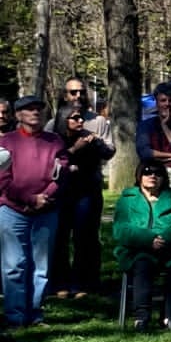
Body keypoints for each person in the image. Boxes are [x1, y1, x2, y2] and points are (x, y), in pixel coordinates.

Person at [0, 94, 68, 327]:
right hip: (12, 210)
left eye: (38, 109)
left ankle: (35, 313)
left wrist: (45, 197)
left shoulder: (55, 141)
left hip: (46, 210)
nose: (35, 113)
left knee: (41, 266)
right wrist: (30, 198)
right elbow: (2, 179)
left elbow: (62, 173)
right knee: (13, 265)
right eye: (29, 109)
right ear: (18, 115)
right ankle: (15, 317)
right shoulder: (6, 142)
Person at [113, 159, 171, 331]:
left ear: (164, 177)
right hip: (137, 249)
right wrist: (148, 240)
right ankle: (141, 317)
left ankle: (169, 316)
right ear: (139, 176)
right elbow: (121, 229)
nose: (152, 175)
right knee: (142, 263)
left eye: (158, 172)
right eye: (147, 171)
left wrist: (163, 238)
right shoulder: (127, 199)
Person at [49, 103, 113, 298]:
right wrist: (74, 149)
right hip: (60, 193)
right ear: (63, 120)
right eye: (74, 118)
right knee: (59, 238)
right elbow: (53, 160)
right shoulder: (54, 139)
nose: (80, 121)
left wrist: (97, 142)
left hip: (86, 192)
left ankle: (82, 283)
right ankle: (60, 282)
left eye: (81, 118)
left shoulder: (88, 137)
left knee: (84, 237)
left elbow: (108, 153)